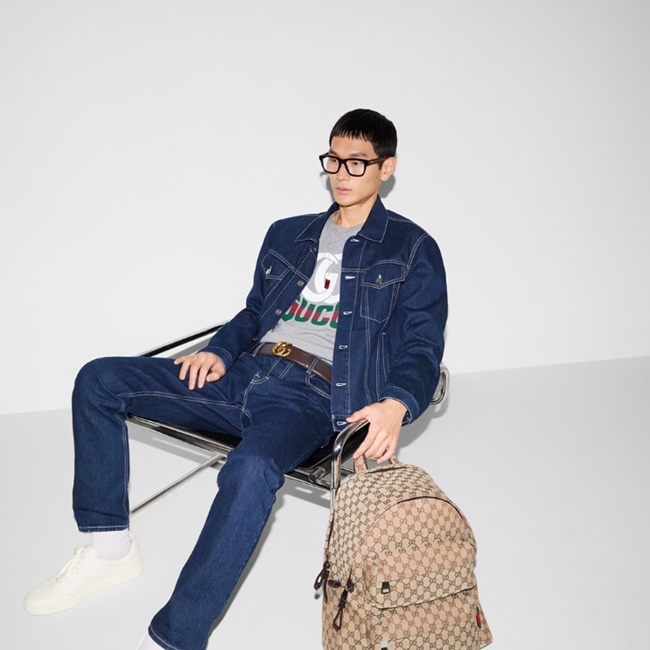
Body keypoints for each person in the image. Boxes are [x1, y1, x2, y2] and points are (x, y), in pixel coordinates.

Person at [24, 108, 448, 649]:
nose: (341, 173)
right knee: (98, 379)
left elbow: (422, 344)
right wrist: (220, 351)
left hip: (315, 394)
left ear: (386, 168)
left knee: (251, 467)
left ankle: (179, 634)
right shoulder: (288, 233)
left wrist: (397, 403)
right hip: (247, 372)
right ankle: (110, 550)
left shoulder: (411, 248)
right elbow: (253, 312)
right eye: (334, 159)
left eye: (357, 163)